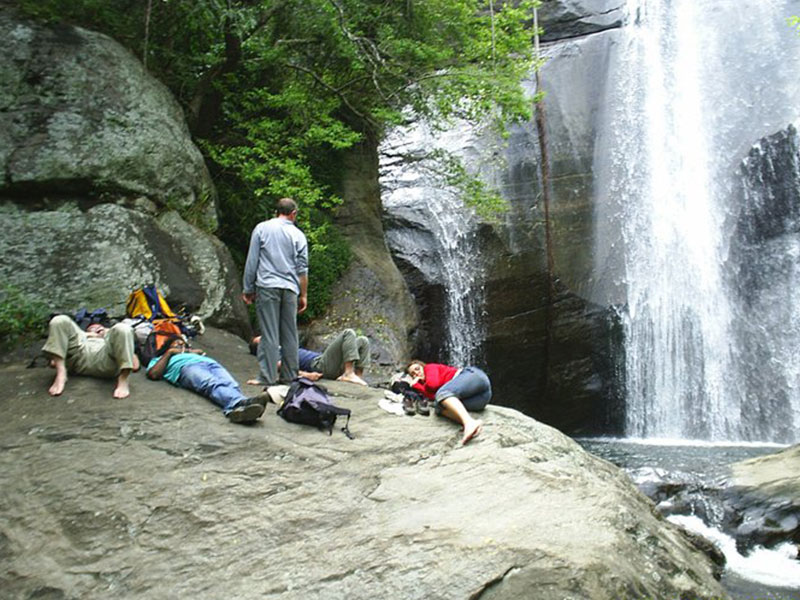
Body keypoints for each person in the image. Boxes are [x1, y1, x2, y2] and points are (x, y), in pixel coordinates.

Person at [242, 197, 309, 387]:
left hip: (267, 286)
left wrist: (248, 288)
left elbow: (252, 260)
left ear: (276, 211)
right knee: (290, 334)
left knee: (269, 333)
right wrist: (303, 294)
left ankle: (267, 377)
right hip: (290, 289)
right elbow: (302, 269)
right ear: (293, 213)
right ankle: (289, 376)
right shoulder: (298, 235)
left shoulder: (262, 228)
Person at [146, 336, 267, 424]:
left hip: (212, 364)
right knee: (211, 383)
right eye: (177, 344)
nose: (181, 346)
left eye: (184, 344)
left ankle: (236, 411)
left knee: (231, 384)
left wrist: (193, 352)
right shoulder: (163, 358)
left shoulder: (195, 353)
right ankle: (241, 403)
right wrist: (170, 352)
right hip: (187, 367)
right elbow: (153, 374)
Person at [42, 315, 138, 399]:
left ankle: (123, 379)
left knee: (123, 328)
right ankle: (61, 373)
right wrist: (87, 335)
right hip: (78, 356)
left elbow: (135, 365)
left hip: (106, 359)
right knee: (59, 320)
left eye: (99, 328)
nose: (96, 329)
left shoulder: (111, 336)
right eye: (92, 328)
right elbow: (53, 363)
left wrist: (107, 334)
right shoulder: (80, 336)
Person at [406, 360, 492, 445]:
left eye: (417, 369)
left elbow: (433, 384)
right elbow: (434, 397)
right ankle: (471, 424)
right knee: (439, 407)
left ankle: (469, 423)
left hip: (473, 376)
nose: (416, 374)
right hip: (480, 398)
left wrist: (416, 385)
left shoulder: (429, 367)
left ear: (422, 366)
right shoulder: (429, 387)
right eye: (413, 374)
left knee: (442, 394)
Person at [250, 328, 370, 386]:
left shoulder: (282, 347)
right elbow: (281, 366)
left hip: (329, 364)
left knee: (363, 341)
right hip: (319, 365)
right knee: (348, 333)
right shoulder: (271, 355)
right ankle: (348, 373)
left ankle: (357, 376)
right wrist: (306, 375)